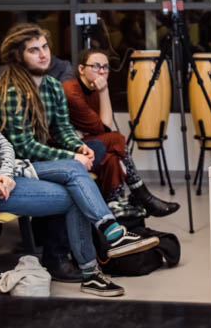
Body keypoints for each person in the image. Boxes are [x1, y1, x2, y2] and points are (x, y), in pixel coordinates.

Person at [0, 24, 159, 284]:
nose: (43, 54)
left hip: (35, 162)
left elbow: (63, 129)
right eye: (33, 50)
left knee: (90, 156)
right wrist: (71, 158)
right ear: (18, 56)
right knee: (75, 173)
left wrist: (77, 147)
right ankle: (104, 242)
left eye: (45, 47)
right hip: (10, 169)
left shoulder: (52, 86)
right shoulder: (11, 90)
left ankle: (93, 254)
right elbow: (23, 146)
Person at [0, 119, 125, 297]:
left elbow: (5, 145)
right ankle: (94, 267)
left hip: (13, 173)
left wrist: (6, 174)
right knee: (75, 195)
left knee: (76, 169)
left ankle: (111, 234)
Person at [62, 47, 179, 218]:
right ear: (81, 69)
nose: (102, 71)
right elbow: (105, 128)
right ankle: (142, 194)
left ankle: (116, 208)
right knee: (116, 139)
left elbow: (104, 129)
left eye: (105, 67)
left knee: (112, 158)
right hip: (67, 148)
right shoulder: (71, 92)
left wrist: (103, 92)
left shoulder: (94, 89)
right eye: (95, 66)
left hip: (87, 144)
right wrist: (104, 92)